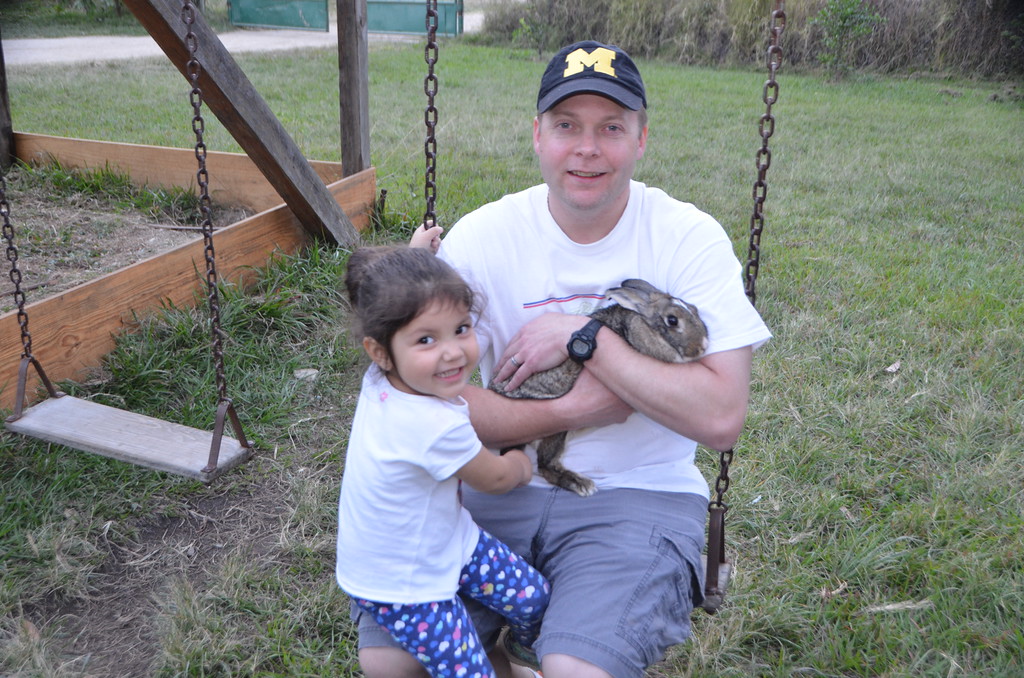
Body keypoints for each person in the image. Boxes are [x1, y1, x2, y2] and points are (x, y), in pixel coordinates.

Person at [361, 39, 771, 678]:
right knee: (392, 665)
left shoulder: (688, 237)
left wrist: (583, 337)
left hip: (637, 493)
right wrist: (575, 409)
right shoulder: (486, 236)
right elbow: (420, 398)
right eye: (566, 126)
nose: (587, 148)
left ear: (641, 138)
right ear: (537, 135)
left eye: (611, 127)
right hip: (495, 483)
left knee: (576, 670)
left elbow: (721, 417)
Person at [336, 246, 550, 678]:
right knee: (469, 670)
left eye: (461, 328)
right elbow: (495, 479)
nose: (452, 351)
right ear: (380, 351)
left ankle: (520, 655)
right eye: (426, 340)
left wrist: (411, 257)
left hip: (446, 538)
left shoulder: (384, 376)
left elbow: (394, 307)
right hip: (403, 585)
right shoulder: (434, 425)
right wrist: (521, 462)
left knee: (532, 597)